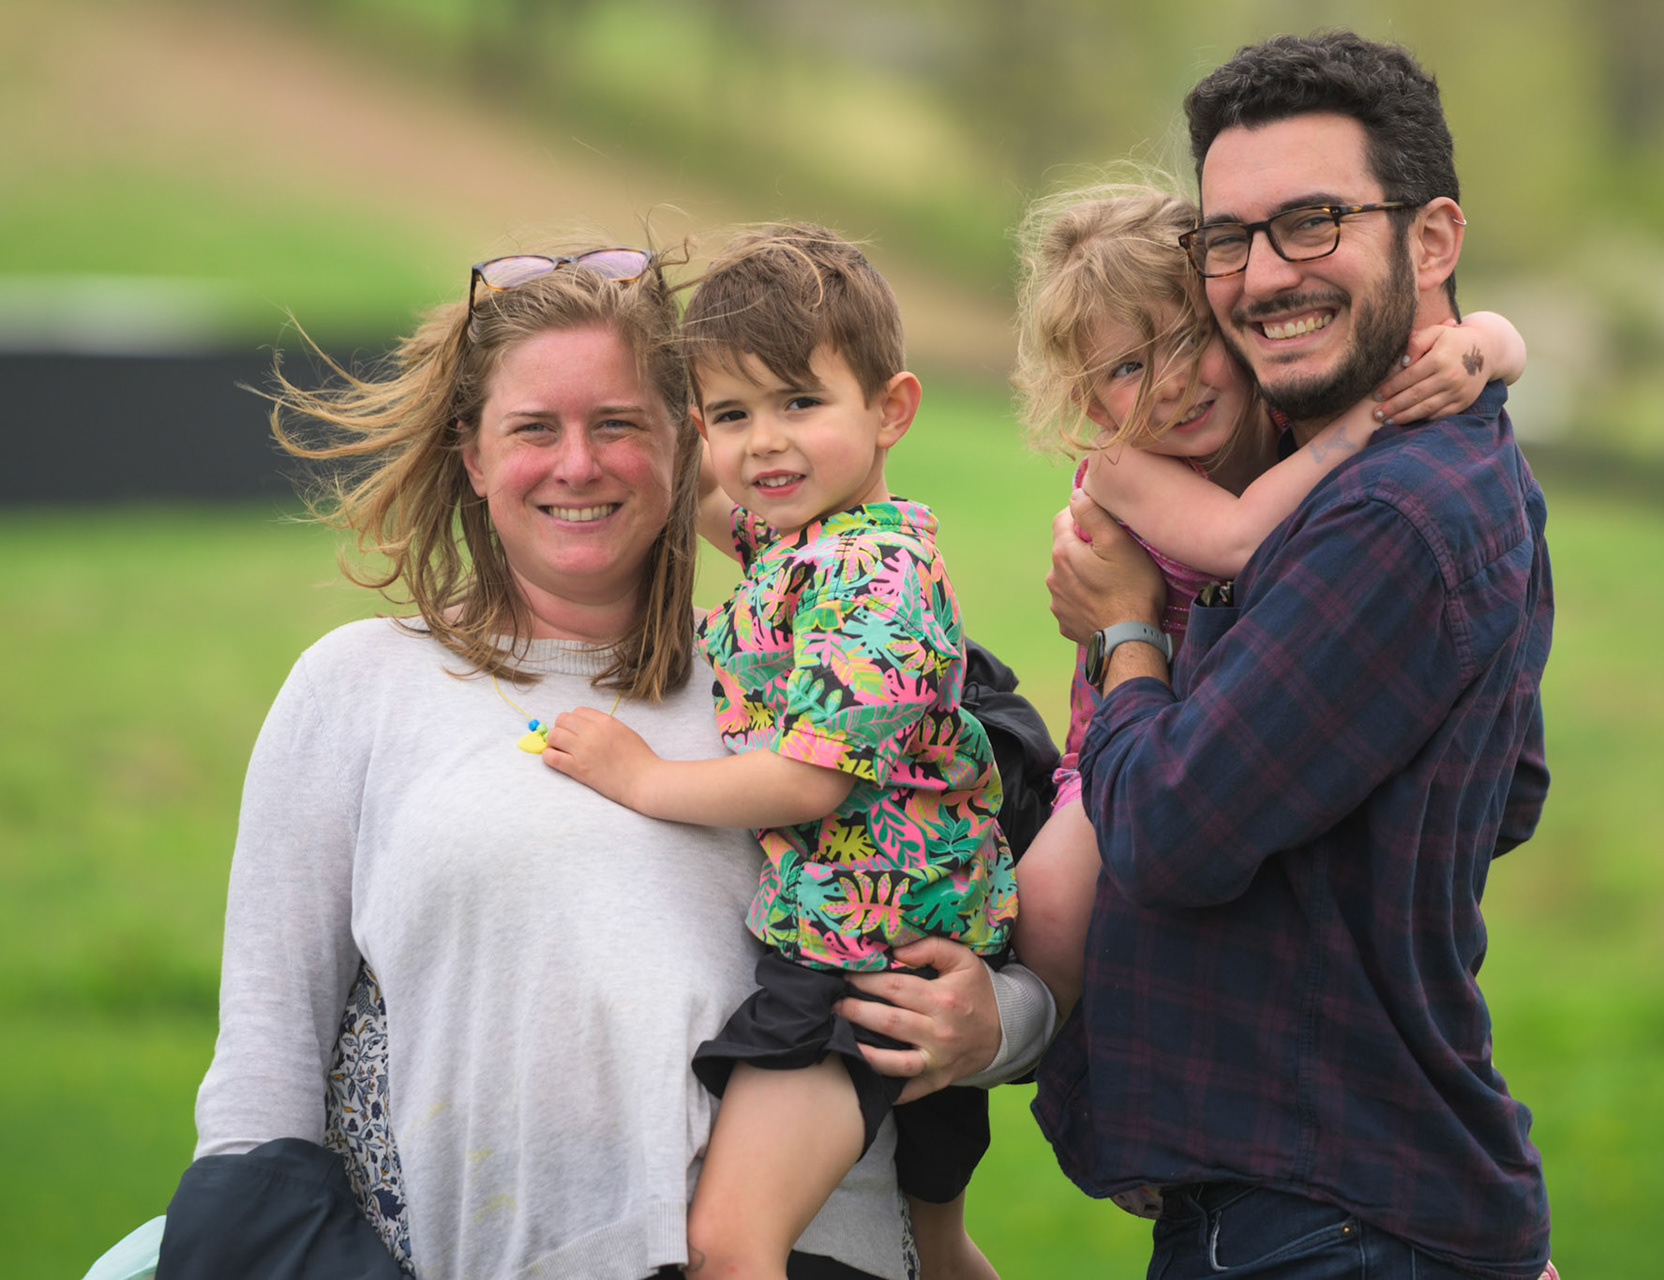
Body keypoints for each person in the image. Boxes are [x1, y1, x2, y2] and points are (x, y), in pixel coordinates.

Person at [168, 245, 1049, 1280]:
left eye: (620, 424)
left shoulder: (793, 669)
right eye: (534, 427)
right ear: (473, 456)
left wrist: (1001, 1027)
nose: (578, 465)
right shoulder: (358, 685)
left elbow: (1005, 933)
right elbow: (261, 1082)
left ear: (678, 446)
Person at [1038, 31, 1556, 1280]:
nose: (1267, 274)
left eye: (1313, 221)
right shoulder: (1412, 460)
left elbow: (1166, 831)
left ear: (1431, 239)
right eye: (1232, 238)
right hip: (1338, 1194)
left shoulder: (1387, 513)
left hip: (1330, 1211)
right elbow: (1511, 791)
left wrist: (1127, 634)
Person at [541, 224, 1016, 1280]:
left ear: (891, 410)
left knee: (729, 1244)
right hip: (894, 923)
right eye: (734, 414)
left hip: (863, 956)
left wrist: (641, 775)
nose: (764, 444)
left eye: (800, 403)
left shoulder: (874, 576)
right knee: (937, 1250)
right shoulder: (804, 537)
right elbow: (705, 493)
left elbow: (811, 776)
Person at [1007, 182, 1525, 1010]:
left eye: (1189, 340)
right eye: (1129, 368)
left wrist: (1479, 348)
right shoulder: (1120, 466)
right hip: (1126, 739)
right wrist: (1366, 422)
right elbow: (1237, 538)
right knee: (1049, 908)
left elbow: (1504, 340)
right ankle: (1015, 1032)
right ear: (1089, 401)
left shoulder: (1286, 416)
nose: (1171, 383)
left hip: (1239, 729)